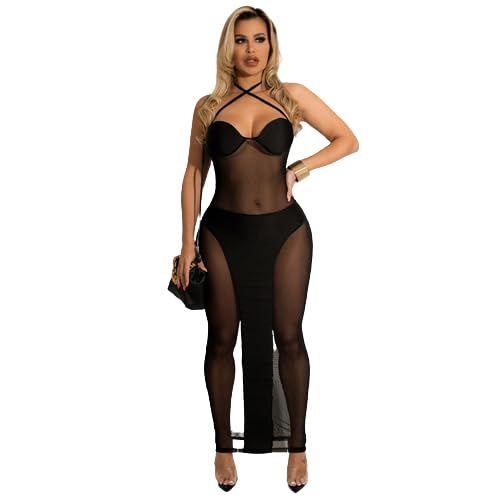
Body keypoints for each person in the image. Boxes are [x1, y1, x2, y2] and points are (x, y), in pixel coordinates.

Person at [176, 5, 359, 492]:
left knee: (290, 336)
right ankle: (222, 446)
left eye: (259, 39)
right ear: (228, 47)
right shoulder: (208, 106)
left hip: (285, 233)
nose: (251, 50)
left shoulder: (291, 96)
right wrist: (186, 243)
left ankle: (298, 447)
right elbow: (194, 173)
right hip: (222, 233)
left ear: (272, 45)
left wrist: (299, 169)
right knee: (220, 339)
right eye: (241, 40)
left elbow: (347, 139)